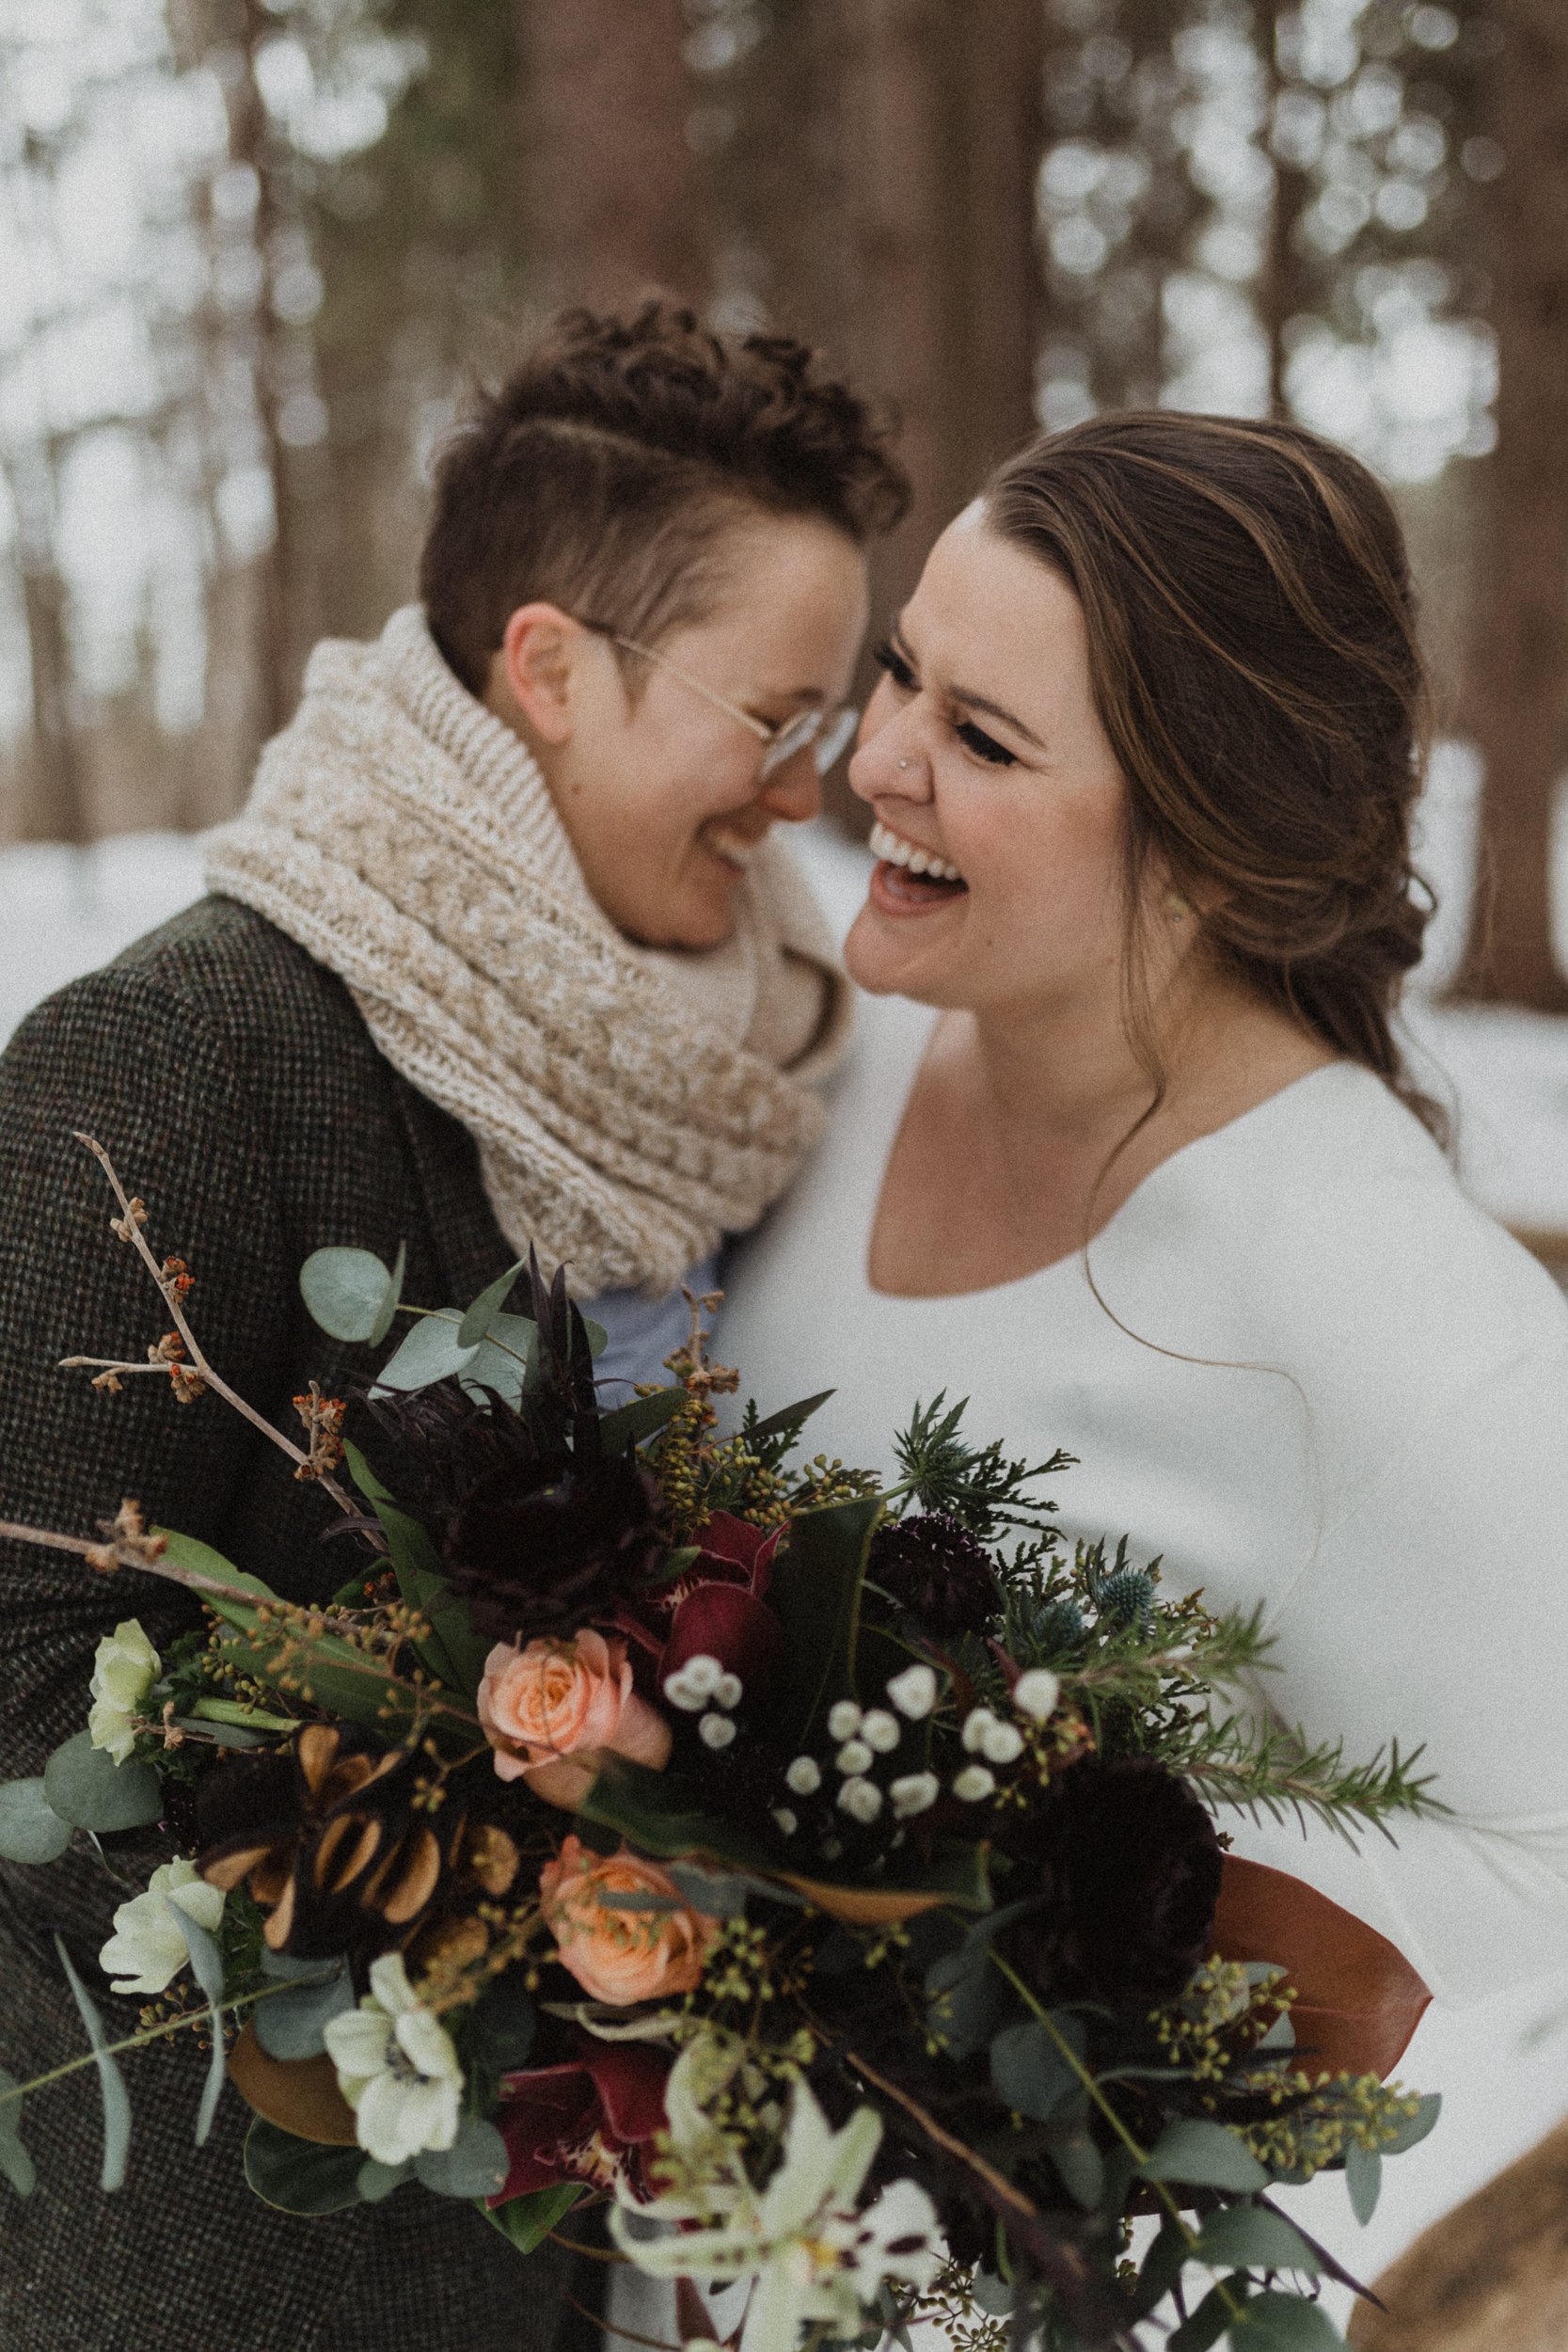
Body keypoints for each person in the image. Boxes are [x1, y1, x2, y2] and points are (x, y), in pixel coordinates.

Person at [0, 303, 905, 2352]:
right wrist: (490, 1856)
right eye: (772, 721)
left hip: (562, 2263)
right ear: (552, 665)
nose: (800, 794)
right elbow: (16, 1657)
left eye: (824, 731)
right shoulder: (171, 1058)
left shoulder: (740, 1084)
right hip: (221, 2261)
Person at [717, 410, 1568, 2159]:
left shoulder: (1400, 1314)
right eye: (900, 674)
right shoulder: (832, 1058)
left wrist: (1075, 1949)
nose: (875, 760)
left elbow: (1543, 1877)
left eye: (985, 739)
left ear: (1206, 850)